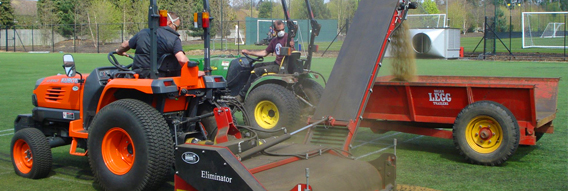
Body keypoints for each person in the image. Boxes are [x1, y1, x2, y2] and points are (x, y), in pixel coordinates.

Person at [116, 12, 199, 78]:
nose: (176, 30)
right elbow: (181, 59)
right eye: (176, 27)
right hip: (162, 75)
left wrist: (119, 51)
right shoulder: (174, 38)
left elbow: (125, 45)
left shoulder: (143, 32)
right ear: (170, 23)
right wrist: (194, 72)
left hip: (140, 75)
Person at [238, 20, 294, 100]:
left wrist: (291, 46)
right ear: (274, 30)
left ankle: (242, 95)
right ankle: (245, 87)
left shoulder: (288, 39)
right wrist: (249, 52)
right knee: (255, 66)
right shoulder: (274, 40)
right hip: (276, 63)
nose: (281, 32)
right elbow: (265, 52)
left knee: (257, 71)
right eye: (279, 30)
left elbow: (292, 51)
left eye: (282, 30)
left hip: (282, 66)